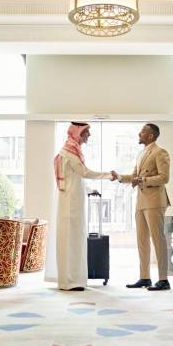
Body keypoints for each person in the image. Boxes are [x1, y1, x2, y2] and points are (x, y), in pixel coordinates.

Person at [50, 122, 114, 291]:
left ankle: (70, 280)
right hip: (71, 203)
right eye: (87, 133)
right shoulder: (70, 152)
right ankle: (70, 281)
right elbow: (85, 172)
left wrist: (88, 189)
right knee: (72, 240)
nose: (89, 136)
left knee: (71, 239)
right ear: (78, 133)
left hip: (71, 200)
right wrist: (108, 175)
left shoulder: (69, 150)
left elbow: (74, 177)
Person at [111, 123, 171, 291]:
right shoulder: (141, 153)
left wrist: (143, 181)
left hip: (154, 201)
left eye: (143, 131)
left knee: (158, 240)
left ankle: (164, 279)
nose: (139, 133)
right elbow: (135, 176)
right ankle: (145, 277)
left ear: (151, 136)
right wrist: (120, 177)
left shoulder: (160, 152)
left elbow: (164, 178)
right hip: (141, 202)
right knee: (142, 240)